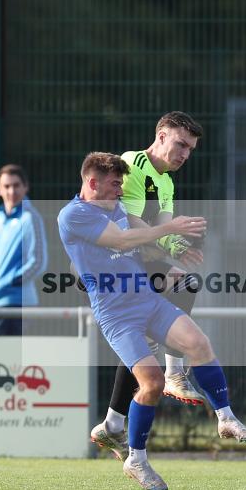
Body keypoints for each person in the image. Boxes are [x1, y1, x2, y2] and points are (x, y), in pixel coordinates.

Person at [58, 152, 246, 490]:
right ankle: (136, 459)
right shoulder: (74, 215)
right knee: (149, 384)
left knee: (199, 344)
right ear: (92, 183)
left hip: (147, 300)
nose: (121, 190)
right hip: (117, 314)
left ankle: (225, 418)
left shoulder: (115, 208)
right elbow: (120, 241)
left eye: (121, 183)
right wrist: (170, 227)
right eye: (115, 184)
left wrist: (173, 243)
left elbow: (139, 231)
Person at [90, 111, 208, 461]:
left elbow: (162, 229)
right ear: (161, 136)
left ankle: (112, 424)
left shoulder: (168, 183)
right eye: (181, 144)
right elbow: (132, 224)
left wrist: (179, 247)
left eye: (191, 149)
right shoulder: (131, 163)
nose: (185, 154)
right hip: (106, 263)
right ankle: (173, 373)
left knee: (142, 343)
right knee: (181, 289)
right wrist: (169, 240)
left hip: (134, 263)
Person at [0, 164, 48, 336]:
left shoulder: (30, 217)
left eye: (16, 185)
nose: (11, 191)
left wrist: (11, 282)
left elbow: (38, 262)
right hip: (0, 302)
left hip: (20, 304)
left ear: (25, 187)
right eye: (6, 186)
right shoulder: (0, 216)